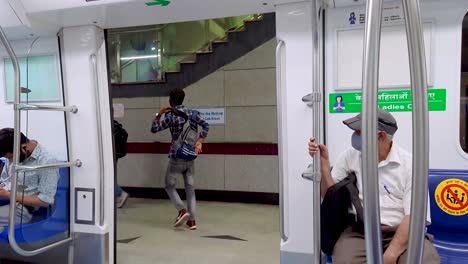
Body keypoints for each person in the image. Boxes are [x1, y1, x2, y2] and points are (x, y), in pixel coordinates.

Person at [308, 109, 440, 264]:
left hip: (404, 231)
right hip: (361, 232)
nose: (355, 136)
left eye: (359, 132)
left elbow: (414, 217)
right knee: (344, 260)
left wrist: (390, 255)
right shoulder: (350, 157)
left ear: (380, 136)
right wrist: (324, 165)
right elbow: (330, 197)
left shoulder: (411, 164)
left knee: (423, 261)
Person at [150, 89, 209, 230]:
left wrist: (158, 114)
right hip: (191, 156)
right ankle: (192, 221)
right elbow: (206, 125)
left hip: (177, 156)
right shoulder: (194, 113)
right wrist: (200, 140)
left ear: (171, 101)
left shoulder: (170, 116)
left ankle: (182, 210)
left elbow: (154, 129)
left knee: (169, 185)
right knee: (190, 188)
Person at [0, 128, 59, 226]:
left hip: (21, 209)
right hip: (4, 200)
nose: (10, 162)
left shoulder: (46, 162)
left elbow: (44, 201)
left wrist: (7, 195)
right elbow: (4, 181)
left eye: (10, 158)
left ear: (23, 147)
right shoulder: (14, 151)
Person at [114, 120, 129, 208]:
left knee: (106, 178)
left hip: (110, 155)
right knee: (108, 177)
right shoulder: (116, 126)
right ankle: (117, 196)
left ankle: (121, 194)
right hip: (115, 155)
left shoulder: (107, 124)